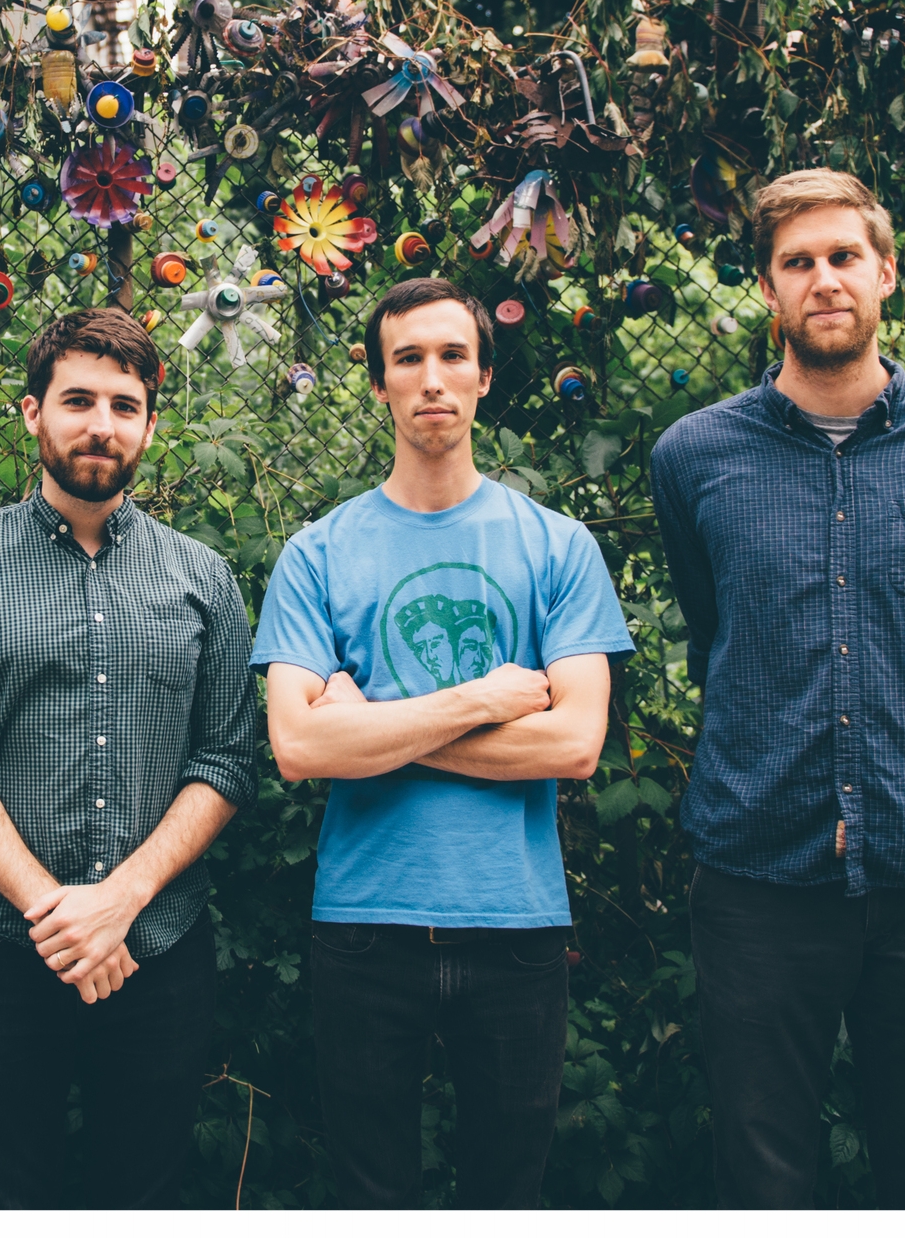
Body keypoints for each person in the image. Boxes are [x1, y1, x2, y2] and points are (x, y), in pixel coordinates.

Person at [650, 170, 905, 1210]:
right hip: (758, 868)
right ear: (766, 287)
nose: (824, 280)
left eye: (844, 256)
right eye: (797, 262)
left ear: (885, 273)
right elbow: (716, 630)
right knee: (761, 1177)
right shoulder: (693, 455)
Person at [253, 277, 632, 1209]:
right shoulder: (318, 552)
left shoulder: (557, 547)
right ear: (379, 382)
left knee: (508, 1197)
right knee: (370, 1198)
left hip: (516, 924)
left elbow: (576, 744)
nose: (432, 378)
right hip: (364, 923)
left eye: (453, 355)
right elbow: (297, 747)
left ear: (484, 376)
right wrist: (481, 701)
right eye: (408, 358)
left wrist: (368, 725)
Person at [0, 308, 256, 1209]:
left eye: (124, 407)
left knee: (147, 1195)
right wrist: (60, 917)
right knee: (9, 1196)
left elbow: (226, 759)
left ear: (150, 427)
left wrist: (119, 903)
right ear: (33, 413)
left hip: (158, 947)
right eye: (79, 401)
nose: (102, 425)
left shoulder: (204, 578)